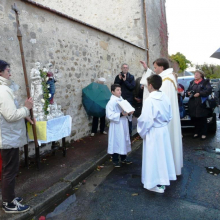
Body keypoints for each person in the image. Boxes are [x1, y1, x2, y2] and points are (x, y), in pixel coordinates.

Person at [0, 60, 34, 213]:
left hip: (9, 135)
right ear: (0, 72)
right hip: (8, 137)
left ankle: (10, 196)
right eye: (8, 70)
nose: (10, 73)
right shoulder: (2, 90)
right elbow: (11, 115)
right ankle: (8, 203)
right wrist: (26, 109)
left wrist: (24, 114)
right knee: (10, 171)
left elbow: (10, 110)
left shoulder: (4, 89)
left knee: (10, 169)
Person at [140, 58, 183, 176]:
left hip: (160, 125)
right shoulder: (167, 77)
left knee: (160, 153)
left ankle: (161, 174)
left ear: (162, 67)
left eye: (155, 67)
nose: (154, 70)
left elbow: (157, 99)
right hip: (164, 123)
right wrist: (146, 69)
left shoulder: (167, 79)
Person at [137, 74, 176, 193]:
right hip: (163, 130)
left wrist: (142, 133)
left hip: (153, 131)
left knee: (153, 157)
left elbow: (145, 120)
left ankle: (152, 183)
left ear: (150, 85)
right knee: (162, 156)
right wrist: (163, 125)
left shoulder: (150, 100)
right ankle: (163, 179)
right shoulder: (165, 97)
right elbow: (170, 115)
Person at [106, 84, 134, 167]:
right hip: (116, 124)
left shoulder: (122, 100)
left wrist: (129, 112)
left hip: (123, 123)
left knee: (123, 140)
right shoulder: (110, 102)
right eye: (117, 90)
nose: (120, 92)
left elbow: (127, 110)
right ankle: (115, 159)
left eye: (120, 90)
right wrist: (120, 114)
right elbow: (109, 115)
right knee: (117, 141)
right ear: (112, 92)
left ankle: (123, 158)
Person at [186, 70, 212, 140]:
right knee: (195, 119)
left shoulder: (205, 82)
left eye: (197, 74)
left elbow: (208, 90)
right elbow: (187, 91)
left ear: (201, 75)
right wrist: (188, 93)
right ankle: (196, 132)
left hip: (202, 103)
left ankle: (203, 133)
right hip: (193, 104)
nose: (196, 75)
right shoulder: (192, 83)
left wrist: (200, 94)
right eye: (195, 73)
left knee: (203, 119)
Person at [114, 64, 135, 135]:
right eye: (124, 67)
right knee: (121, 116)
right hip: (120, 100)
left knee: (129, 116)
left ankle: (129, 132)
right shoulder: (118, 77)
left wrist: (125, 81)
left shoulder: (131, 77)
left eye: (126, 67)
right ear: (121, 68)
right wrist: (120, 80)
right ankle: (122, 133)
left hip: (129, 99)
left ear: (128, 69)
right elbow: (115, 87)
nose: (125, 69)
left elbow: (132, 87)